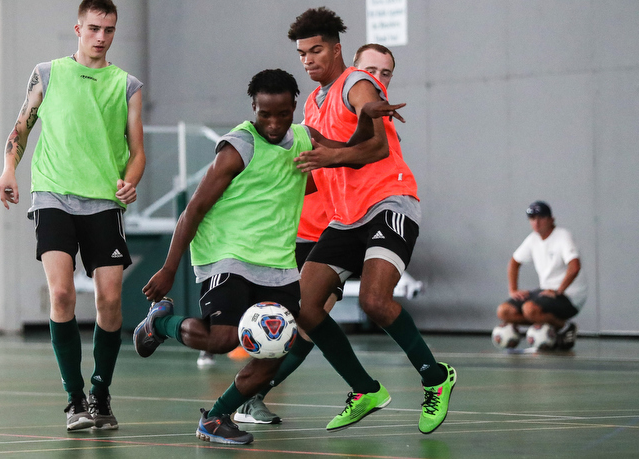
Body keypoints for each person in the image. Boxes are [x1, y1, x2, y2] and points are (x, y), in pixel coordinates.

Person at [134, 69, 401, 445]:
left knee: (275, 350)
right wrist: (167, 268)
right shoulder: (238, 147)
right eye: (264, 114)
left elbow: (352, 155)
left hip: (277, 264)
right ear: (253, 109)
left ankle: (216, 418)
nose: (273, 123)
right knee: (224, 339)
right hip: (228, 255)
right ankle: (159, 325)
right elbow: (193, 210)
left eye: (282, 114)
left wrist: (367, 116)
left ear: (295, 107)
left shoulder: (305, 139)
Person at [282, 7, 456, 435]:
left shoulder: (357, 83)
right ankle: (365, 390)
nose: (307, 60)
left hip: (389, 202)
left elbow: (376, 143)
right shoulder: (313, 101)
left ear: (337, 49)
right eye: (302, 54)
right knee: (304, 309)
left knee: (376, 302)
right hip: (344, 219)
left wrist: (367, 114)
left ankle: (436, 377)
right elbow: (319, 155)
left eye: (316, 50)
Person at [234, 41, 407, 426]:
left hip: (336, 233)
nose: (377, 79)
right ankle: (247, 393)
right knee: (284, 323)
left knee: (309, 324)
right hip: (300, 236)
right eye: (371, 71)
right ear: (353, 70)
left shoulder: (377, 128)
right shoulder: (319, 109)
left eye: (386, 73)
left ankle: (255, 393)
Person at [0, 0, 145, 431]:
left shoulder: (127, 85)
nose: (101, 37)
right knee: (61, 295)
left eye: (109, 30)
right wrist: (8, 169)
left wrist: (130, 180)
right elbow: (21, 127)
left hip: (103, 202)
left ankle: (100, 392)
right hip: (52, 196)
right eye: (94, 28)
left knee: (110, 301)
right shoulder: (47, 73)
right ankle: (74, 399)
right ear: (78, 28)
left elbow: (137, 152)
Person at [497, 201, 586, 350]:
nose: (536, 223)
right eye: (532, 219)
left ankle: (565, 327)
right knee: (504, 311)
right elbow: (514, 263)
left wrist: (559, 291)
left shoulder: (563, 236)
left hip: (570, 295)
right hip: (546, 290)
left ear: (551, 219)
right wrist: (513, 291)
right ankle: (549, 328)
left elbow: (574, 267)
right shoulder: (533, 239)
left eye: (541, 218)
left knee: (530, 309)